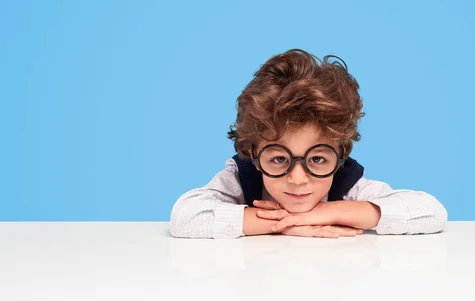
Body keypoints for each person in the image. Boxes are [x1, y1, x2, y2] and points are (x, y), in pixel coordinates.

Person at [169, 49, 447, 239]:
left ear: (341, 153)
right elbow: (185, 216)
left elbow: (432, 211)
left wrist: (327, 212)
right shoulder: (241, 177)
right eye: (278, 159)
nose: (299, 179)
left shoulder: (347, 186)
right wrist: (283, 225)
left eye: (317, 159)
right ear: (253, 153)